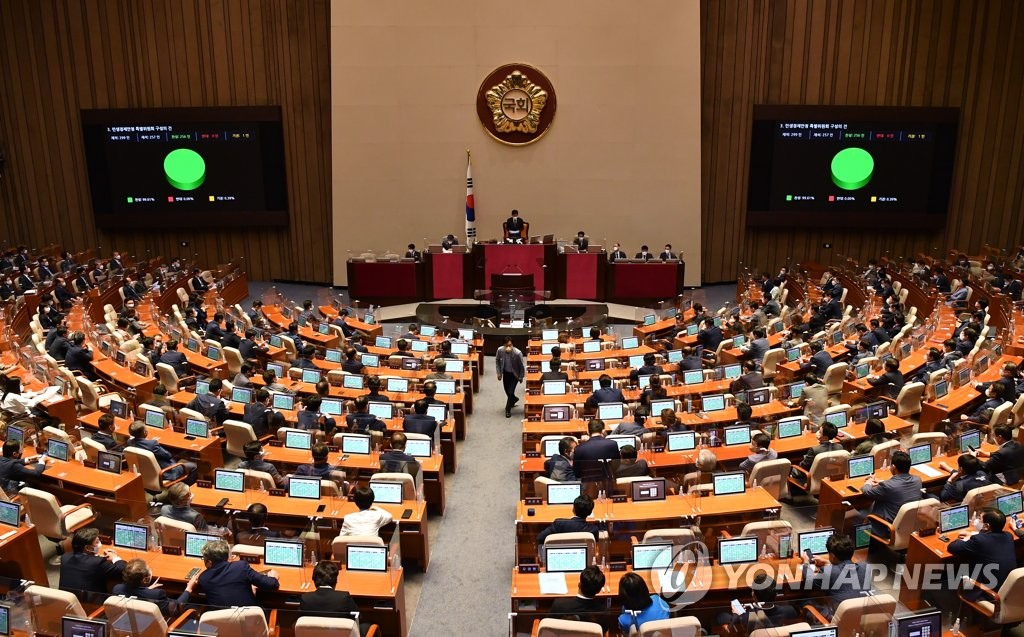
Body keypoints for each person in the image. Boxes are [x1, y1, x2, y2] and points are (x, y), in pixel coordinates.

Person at [948, 509, 1018, 600]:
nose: (977, 521)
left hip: (988, 593)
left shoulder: (980, 541)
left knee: (957, 570)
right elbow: (989, 538)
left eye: (980, 519)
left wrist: (968, 539)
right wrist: (974, 535)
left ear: (986, 526)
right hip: (1009, 589)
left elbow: (952, 547)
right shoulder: (1008, 536)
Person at [801, 535, 870, 617]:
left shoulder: (829, 571)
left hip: (838, 618)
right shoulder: (864, 566)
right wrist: (829, 563)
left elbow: (809, 582)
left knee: (803, 601)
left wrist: (806, 563)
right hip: (863, 615)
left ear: (833, 556)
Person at [199, 539, 279, 608]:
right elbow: (271, 585)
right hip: (251, 621)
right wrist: (273, 577)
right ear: (227, 556)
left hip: (221, 624)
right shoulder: (241, 567)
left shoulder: (203, 578)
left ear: (209, 562)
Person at [861, 450, 922, 536]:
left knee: (859, 515)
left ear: (893, 467)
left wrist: (868, 482)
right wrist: (882, 482)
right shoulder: (917, 480)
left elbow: (867, 492)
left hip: (887, 528)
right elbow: (899, 484)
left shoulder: (887, 486)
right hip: (908, 526)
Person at [60, 528, 126, 601]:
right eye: (97, 542)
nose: (100, 543)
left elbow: (85, 563)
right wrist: (115, 557)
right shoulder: (98, 563)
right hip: (91, 606)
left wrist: (96, 557)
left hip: (66, 602)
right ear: (88, 548)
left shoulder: (65, 557)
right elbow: (122, 569)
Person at [113, 558, 197, 616]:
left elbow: (135, 594)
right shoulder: (157, 595)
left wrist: (147, 590)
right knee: (194, 607)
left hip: (129, 624)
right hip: (153, 627)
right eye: (149, 569)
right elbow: (177, 608)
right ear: (145, 580)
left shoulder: (117, 589)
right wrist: (188, 588)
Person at [717, 573, 798, 633]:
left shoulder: (745, 618)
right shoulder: (790, 611)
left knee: (721, 616)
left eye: (752, 590)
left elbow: (730, 632)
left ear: (754, 596)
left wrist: (736, 616)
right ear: (775, 594)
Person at [126, 420, 198, 484]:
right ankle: (182, 487)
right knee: (193, 466)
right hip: (166, 472)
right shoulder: (152, 444)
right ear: (145, 432)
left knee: (180, 456)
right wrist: (153, 443)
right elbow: (168, 455)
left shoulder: (130, 442)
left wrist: (148, 441)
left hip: (146, 472)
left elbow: (142, 444)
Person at [300, 560, 365, 627]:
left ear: (314, 580)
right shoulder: (343, 598)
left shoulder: (305, 599)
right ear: (335, 581)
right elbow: (359, 617)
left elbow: (299, 621)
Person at [573, 419, 621, 484]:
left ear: (588, 431)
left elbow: (577, 473)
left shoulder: (579, 449)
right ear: (603, 431)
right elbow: (617, 465)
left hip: (588, 484)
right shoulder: (613, 444)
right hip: (608, 482)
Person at [537, 495, 602, 543]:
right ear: (590, 512)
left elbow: (540, 538)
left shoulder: (559, 524)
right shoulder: (593, 530)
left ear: (573, 509)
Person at [495, 337, 525, 418]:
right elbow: (497, 361)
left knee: (511, 392)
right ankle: (514, 399)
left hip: (514, 375)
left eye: (510, 345)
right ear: (503, 345)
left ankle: (507, 409)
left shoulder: (517, 353)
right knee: (507, 391)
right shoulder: (500, 350)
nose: (509, 347)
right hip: (506, 373)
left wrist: (521, 377)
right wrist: (499, 373)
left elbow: (521, 366)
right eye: (506, 345)